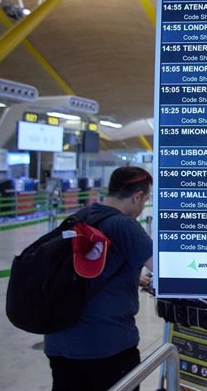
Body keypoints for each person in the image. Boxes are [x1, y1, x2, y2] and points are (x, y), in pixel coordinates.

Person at [44, 166, 153, 391]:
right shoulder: (125, 225)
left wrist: (135, 278)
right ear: (137, 196)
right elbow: (163, 271)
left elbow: (87, 269)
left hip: (59, 342)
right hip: (106, 346)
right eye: (145, 201)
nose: (142, 208)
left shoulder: (79, 217)